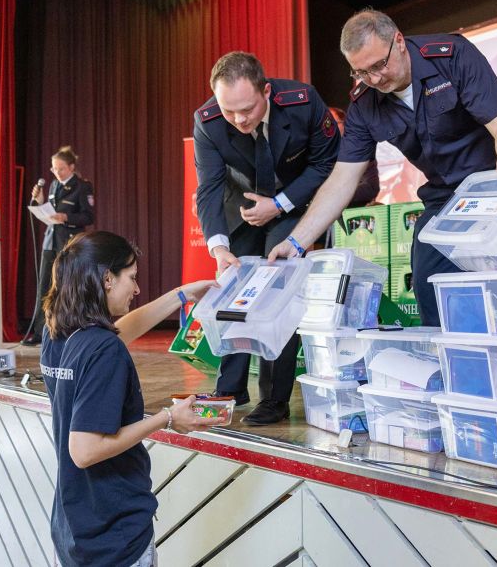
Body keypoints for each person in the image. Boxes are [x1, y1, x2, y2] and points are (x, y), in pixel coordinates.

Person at [269, 9, 497, 327]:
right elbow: (343, 178)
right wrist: (295, 243)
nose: (376, 79)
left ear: (398, 41)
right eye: (362, 72)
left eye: (380, 65)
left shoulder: (450, 56)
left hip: (495, 179)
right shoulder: (364, 103)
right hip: (445, 196)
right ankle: (453, 366)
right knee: (427, 280)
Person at [40, 230, 224, 567]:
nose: (137, 289)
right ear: (107, 279)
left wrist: (181, 295)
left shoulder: (59, 333)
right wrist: (167, 418)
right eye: (132, 278)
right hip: (115, 530)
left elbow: (123, 328)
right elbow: (84, 451)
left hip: (74, 523)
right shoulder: (103, 349)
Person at [193, 51, 341, 425]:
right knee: (233, 291)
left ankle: (274, 399)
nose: (239, 120)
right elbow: (208, 188)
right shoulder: (207, 122)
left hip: (292, 205)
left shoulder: (303, 104)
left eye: (247, 109)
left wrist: (279, 204)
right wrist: (219, 247)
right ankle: (231, 387)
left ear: (267, 92)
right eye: (230, 112)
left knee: (276, 289)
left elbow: (326, 165)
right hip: (239, 207)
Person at [24, 146, 95, 345]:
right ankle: (40, 332)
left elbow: (89, 217)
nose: (57, 172)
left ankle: (72, 330)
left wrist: (66, 217)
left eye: (61, 168)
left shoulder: (82, 186)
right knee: (44, 287)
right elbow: (50, 212)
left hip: (70, 243)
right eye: (54, 169)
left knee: (69, 286)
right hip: (51, 241)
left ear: (71, 167)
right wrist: (39, 202)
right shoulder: (54, 185)